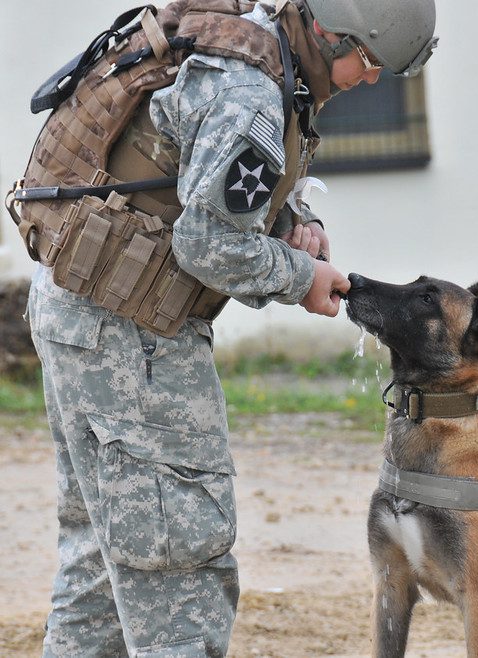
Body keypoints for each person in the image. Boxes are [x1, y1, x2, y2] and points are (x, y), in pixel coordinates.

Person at [11, 0, 437, 655]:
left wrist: (295, 219)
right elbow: (207, 244)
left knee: (100, 561)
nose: (371, 79)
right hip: (133, 339)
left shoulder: (255, 50)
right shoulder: (250, 94)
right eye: (369, 61)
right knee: (179, 560)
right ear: (328, 32)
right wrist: (301, 278)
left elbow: (212, 176)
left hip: (80, 314)